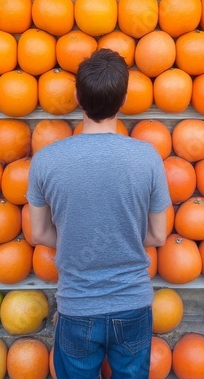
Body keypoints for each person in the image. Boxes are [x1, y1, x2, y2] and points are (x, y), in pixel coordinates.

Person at [27, 48, 171, 379]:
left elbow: (39, 233)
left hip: (77, 306)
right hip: (133, 304)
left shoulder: (46, 160)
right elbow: (157, 235)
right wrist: (120, 239)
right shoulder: (147, 157)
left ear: (78, 98)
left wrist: (78, 239)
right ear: (123, 100)